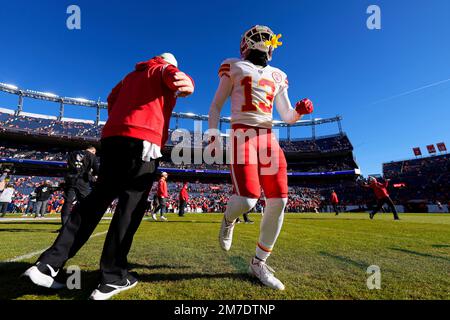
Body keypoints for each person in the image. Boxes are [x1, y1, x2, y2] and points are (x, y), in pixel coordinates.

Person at [24, 52, 194, 300]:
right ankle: (113, 276)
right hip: (144, 141)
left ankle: (48, 264)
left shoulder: (129, 77)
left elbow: (111, 99)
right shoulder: (162, 69)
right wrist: (186, 81)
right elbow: (175, 77)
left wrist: (123, 119)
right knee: (130, 208)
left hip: (114, 138)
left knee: (94, 202)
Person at [208, 25, 313, 290]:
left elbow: (287, 115)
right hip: (241, 133)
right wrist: (212, 135)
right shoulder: (233, 65)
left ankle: (259, 262)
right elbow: (216, 104)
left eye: (268, 38)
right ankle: (228, 219)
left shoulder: (279, 75)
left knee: (279, 200)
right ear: (245, 43)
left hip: (268, 136)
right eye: (260, 37)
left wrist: (299, 111)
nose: (265, 40)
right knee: (247, 199)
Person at [61, 146, 100, 226]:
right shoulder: (92, 155)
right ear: (93, 151)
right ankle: (82, 222)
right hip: (82, 181)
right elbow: (96, 169)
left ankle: (64, 225)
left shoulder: (73, 153)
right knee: (86, 201)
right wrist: (94, 175)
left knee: (68, 202)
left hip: (70, 180)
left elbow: (68, 165)